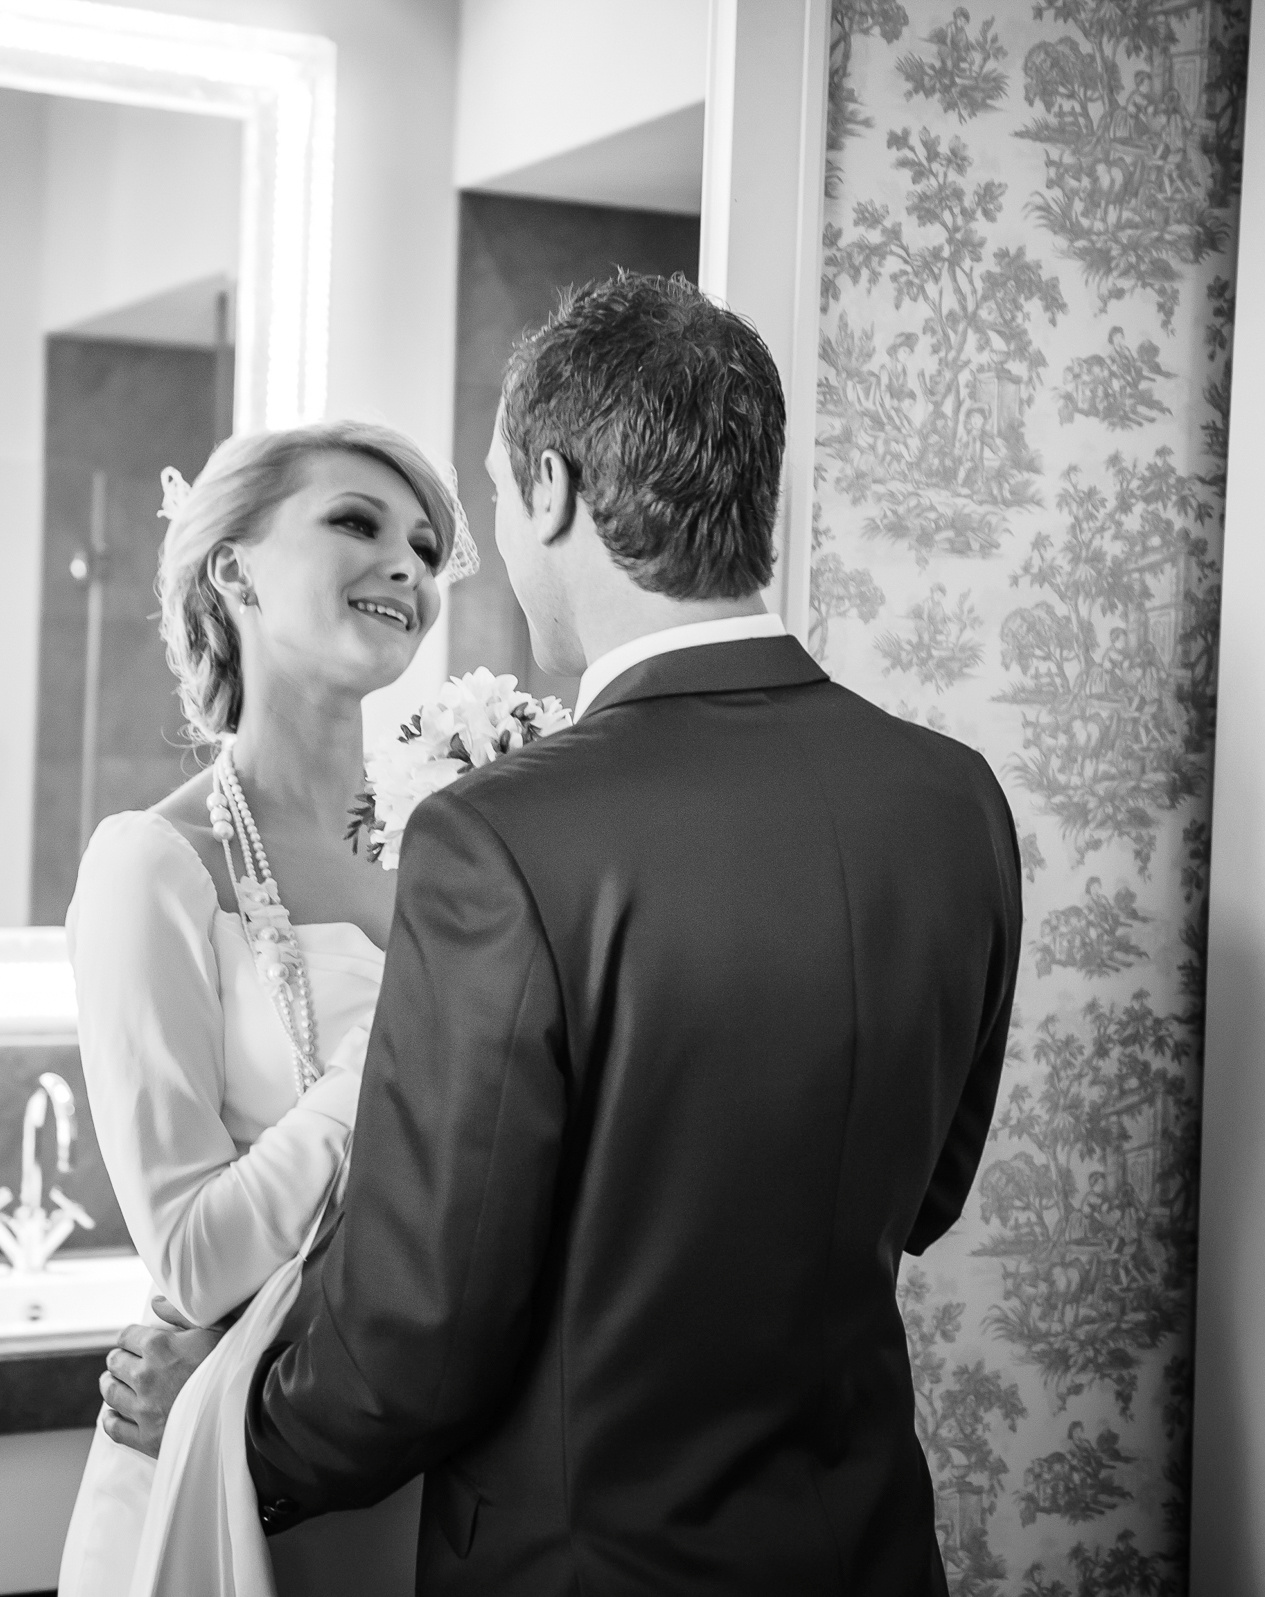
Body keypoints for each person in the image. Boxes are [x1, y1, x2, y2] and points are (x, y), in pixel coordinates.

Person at [106, 273, 1024, 1596]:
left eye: (480, 502)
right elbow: (924, 1193)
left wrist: (231, 1420)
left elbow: (422, 1331)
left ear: (549, 488)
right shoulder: (953, 803)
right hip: (866, 1550)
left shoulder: (501, 834)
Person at [56, 420, 476, 1596]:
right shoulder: (156, 864)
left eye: (427, 547)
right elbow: (190, 1258)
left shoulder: (460, 850)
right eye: (358, 523)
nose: (409, 566)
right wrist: (405, 1051)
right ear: (233, 570)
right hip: (236, 1482)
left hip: (444, 1473)